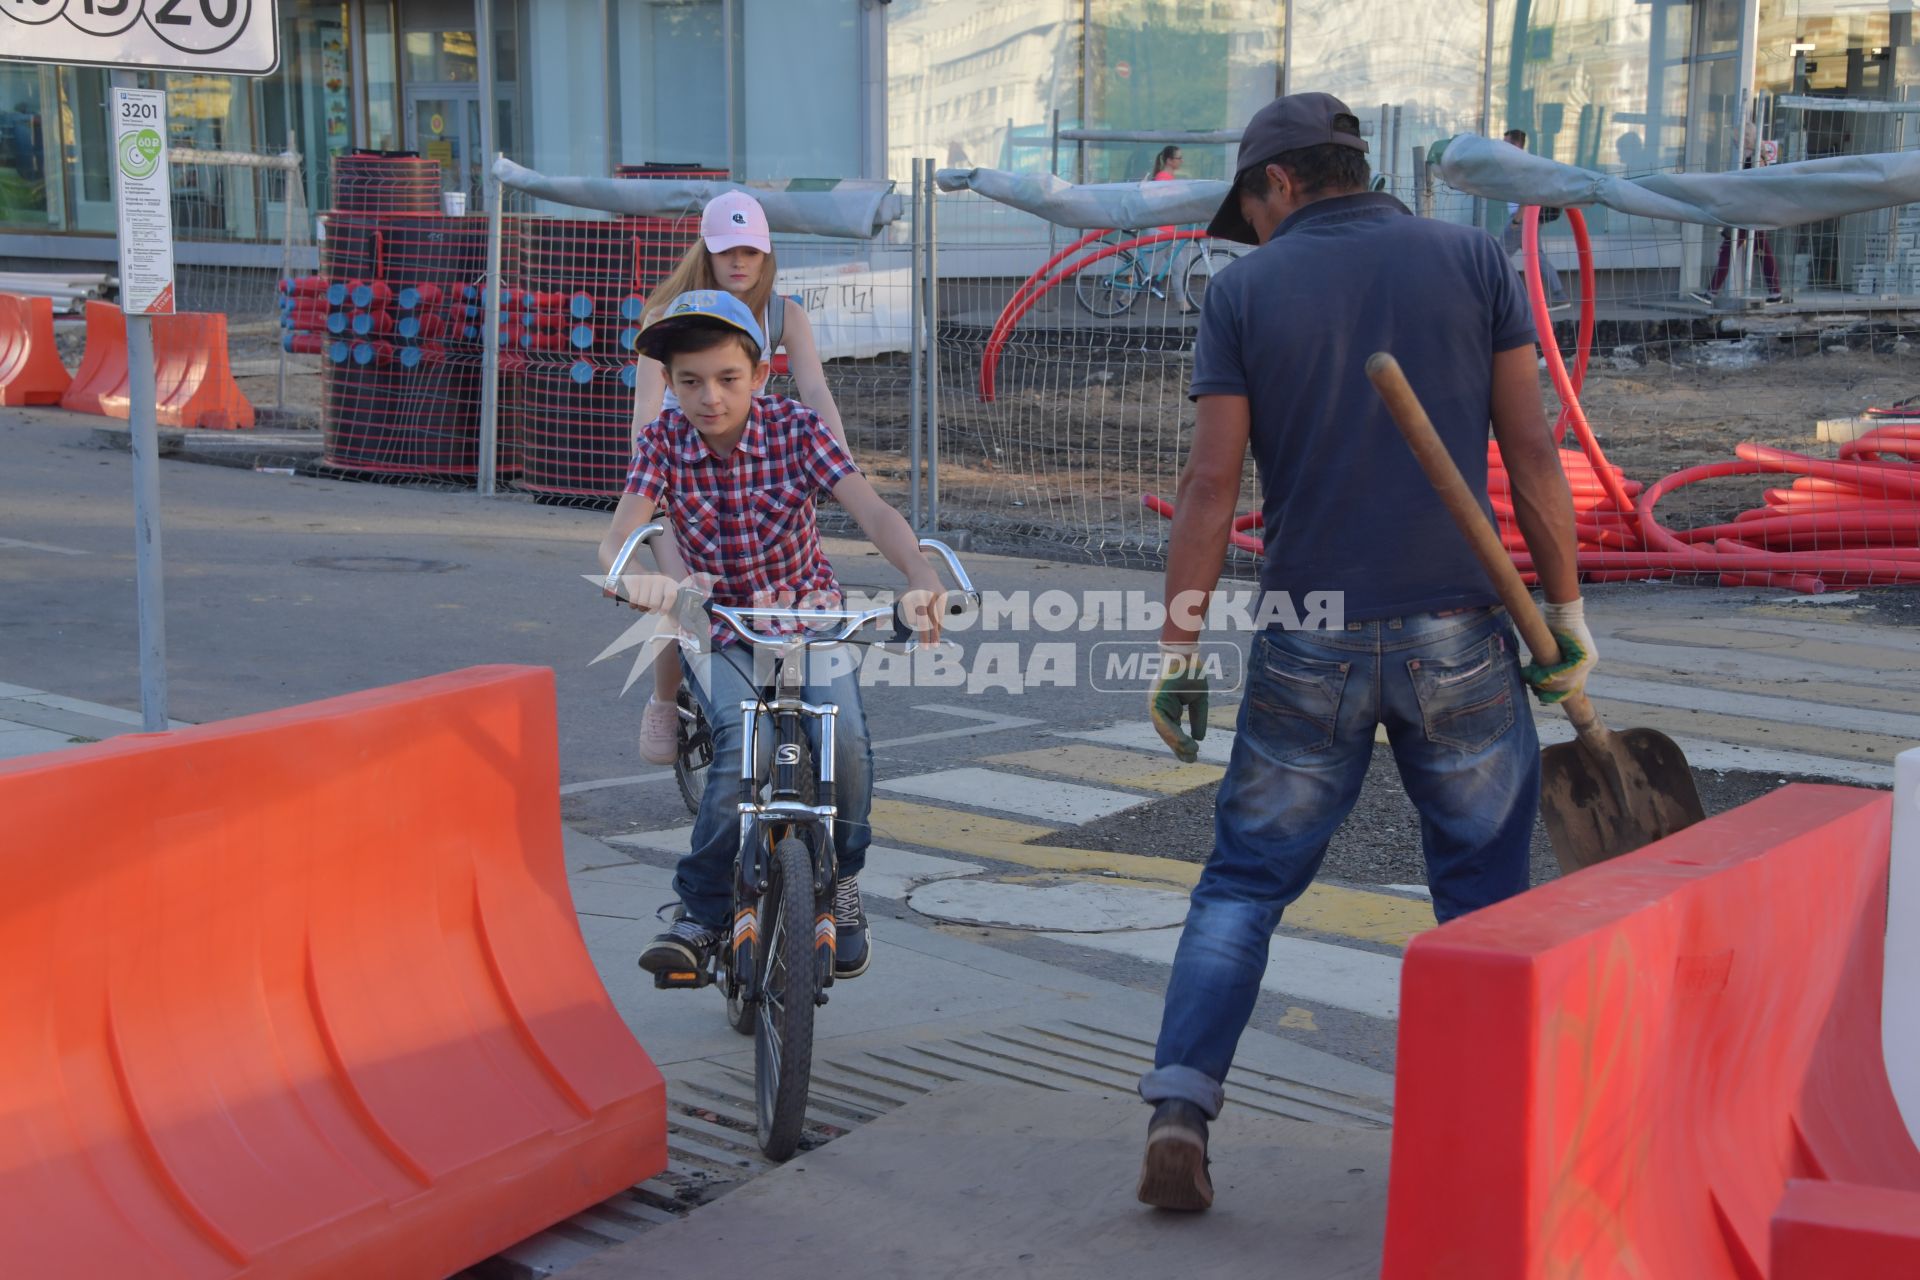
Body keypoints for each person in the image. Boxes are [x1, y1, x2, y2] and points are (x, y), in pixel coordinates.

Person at [1134, 92, 1592, 1213]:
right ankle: (1487, 1143)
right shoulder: (1474, 258)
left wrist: (1178, 644)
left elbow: (1208, 483)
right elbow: (1534, 451)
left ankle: (1183, 1106)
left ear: (1279, 184)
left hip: (1309, 635)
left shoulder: (1247, 289)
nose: (1251, 230)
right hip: (1462, 633)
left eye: (1251, 206)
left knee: (1243, 882)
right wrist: (1568, 616)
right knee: (1485, 896)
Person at [598, 290, 947, 983]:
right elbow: (619, 533)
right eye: (690, 382)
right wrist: (632, 575)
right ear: (668, 384)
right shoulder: (661, 442)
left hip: (808, 615)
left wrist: (917, 568)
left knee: (842, 737)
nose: (710, 398)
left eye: (728, 379)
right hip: (719, 623)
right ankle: (697, 914)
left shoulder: (795, 429)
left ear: (759, 376)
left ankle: (842, 884)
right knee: (744, 740)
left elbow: (871, 510)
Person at [628, 190, 855, 768]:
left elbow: (815, 390)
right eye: (727, 250)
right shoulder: (668, 320)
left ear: (767, 255)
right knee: (681, 596)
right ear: (706, 249)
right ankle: (664, 702)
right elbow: (647, 413)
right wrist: (652, 500)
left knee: (787, 574)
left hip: (756, 466)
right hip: (681, 476)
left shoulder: (783, 314)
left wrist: (839, 462)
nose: (739, 263)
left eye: (751, 252)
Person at [1691, 121, 1782, 305]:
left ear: (1746, 138)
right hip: (1749, 211)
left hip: (1750, 212)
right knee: (1760, 251)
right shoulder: (1748, 157)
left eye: (1737, 136)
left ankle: (1712, 292)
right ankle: (1775, 293)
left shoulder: (1755, 158)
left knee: (1732, 249)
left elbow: (1756, 186)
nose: (1733, 140)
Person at [1501, 128, 1569, 312]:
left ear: (1515, 144)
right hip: (1529, 219)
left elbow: (1527, 193)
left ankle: (1500, 297)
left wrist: (1517, 220)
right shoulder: (1523, 162)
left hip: (1522, 219)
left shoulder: (1520, 164)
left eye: (1505, 142)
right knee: (1538, 258)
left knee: (1498, 257)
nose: (1502, 145)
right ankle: (1559, 295)